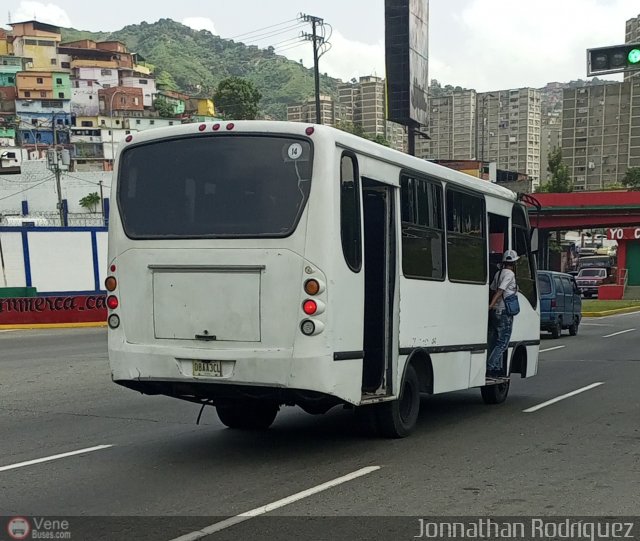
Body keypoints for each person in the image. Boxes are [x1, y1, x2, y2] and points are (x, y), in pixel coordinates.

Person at [487, 250, 519, 377]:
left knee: (494, 340)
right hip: (504, 311)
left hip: (495, 311)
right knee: (503, 342)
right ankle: (491, 366)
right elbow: (500, 291)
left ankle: (497, 368)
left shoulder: (498, 273)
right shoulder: (510, 274)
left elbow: (493, 289)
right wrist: (491, 304)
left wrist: (491, 306)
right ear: (514, 263)